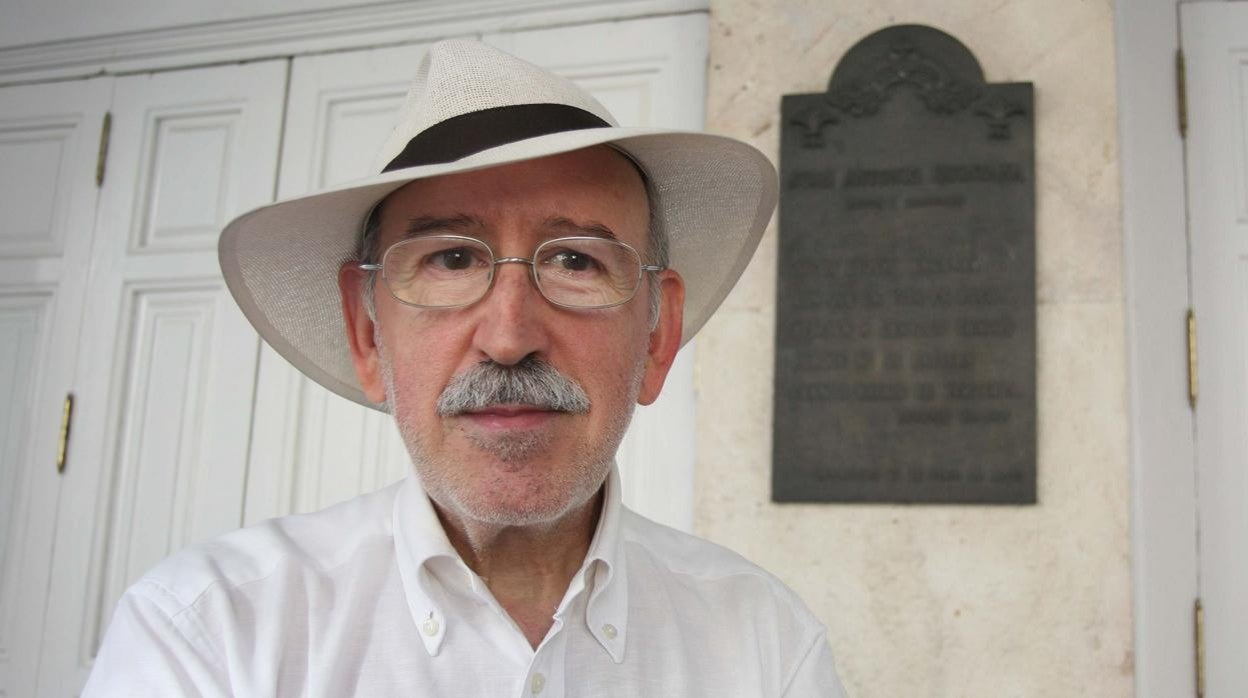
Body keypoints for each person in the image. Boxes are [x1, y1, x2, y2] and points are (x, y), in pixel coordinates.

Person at [84, 39, 847, 697]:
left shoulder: (764, 645)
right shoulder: (208, 632)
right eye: (451, 259)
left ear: (657, 335)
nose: (509, 336)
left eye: (577, 260)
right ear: (365, 327)